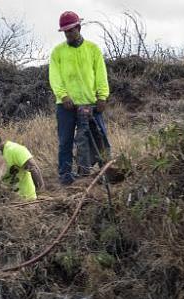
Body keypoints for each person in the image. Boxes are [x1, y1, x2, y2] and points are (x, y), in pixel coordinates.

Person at [49, 10, 110, 185]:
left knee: (100, 138)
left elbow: (101, 74)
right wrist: (63, 95)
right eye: (65, 31)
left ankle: (104, 171)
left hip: (91, 103)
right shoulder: (57, 52)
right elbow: (55, 77)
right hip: (66, 106)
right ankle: (66, 177)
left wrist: (102, 97)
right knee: (66, 141)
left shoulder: (93, 49)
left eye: (71, 30)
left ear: (79, 27)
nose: (68, 34)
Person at [0, 128, 45, 200]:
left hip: (26, 202)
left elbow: (34, 169)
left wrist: (40, 194)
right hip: (5, 202)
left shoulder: (15, 150)